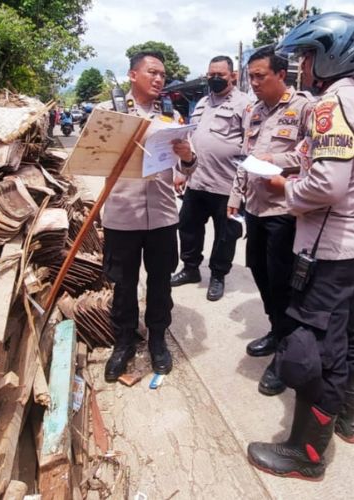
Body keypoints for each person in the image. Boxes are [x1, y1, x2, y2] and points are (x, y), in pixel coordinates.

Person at [246, 12, 354, 481]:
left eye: (306, 56)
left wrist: (283, 191)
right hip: (353, 241)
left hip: (328, 247)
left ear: (328, 55)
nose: (302, 66)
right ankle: (346, 417)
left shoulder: (331, 107)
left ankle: (306, 453)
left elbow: (326, 185)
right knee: (346, 333)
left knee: (313, 348)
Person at [98, 51, 197, 382]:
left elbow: (188, 167)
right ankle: (123, 342)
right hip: (121, 215)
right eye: (152, 72)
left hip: (163, 216)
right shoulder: (110, 114)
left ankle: (157, 339)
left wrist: (187, 156)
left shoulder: (172, 118)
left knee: (160, 283)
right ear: (132, 75)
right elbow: (92, 157)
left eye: (162, 75)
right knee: (123, 284)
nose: (158, 79)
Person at [227, 46, 312, 396]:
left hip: (285, 211)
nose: (255, 82)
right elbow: (246, 158)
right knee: (261, 275)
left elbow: (311, 152)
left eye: (261, 76)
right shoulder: (254, 111)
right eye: (251, 77)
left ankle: (286, 355)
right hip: (256, 209)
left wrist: (272, 158)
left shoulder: (305, 107)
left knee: (284, 285)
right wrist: (235, 197)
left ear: (282, 74)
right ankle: (277, 332)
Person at [170, 55, 251, 301]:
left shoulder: (244, 104)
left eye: (221, 75)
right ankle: (191, 268)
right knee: (188, 227)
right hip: (197, 180)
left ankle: (218, 275)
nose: (215, 79)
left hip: (227, 185)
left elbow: (249, 145)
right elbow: (191, 140)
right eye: (211, 74)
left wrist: (243, 187)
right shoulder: (203, 102)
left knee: (226, 234)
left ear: (233, 76)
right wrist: (180, 173)